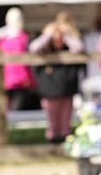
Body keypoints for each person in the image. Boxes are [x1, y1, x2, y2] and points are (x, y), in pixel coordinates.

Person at [29, 12, 84, 143]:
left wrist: (65, 36)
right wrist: (47, 35)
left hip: (66, 87)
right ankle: (53, 142)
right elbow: (33, 48)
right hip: (50, 89)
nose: (57, 39)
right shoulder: (45, 48)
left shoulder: (68, 45)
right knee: (53, 121)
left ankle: (65, 142)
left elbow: (79, 47)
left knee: (65, 121)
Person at [0, 7, 38, 112]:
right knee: (13, 106)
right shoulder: (22, 38)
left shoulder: (2, 38)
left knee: (14, 105)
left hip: (10, 77)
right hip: (17, 77)